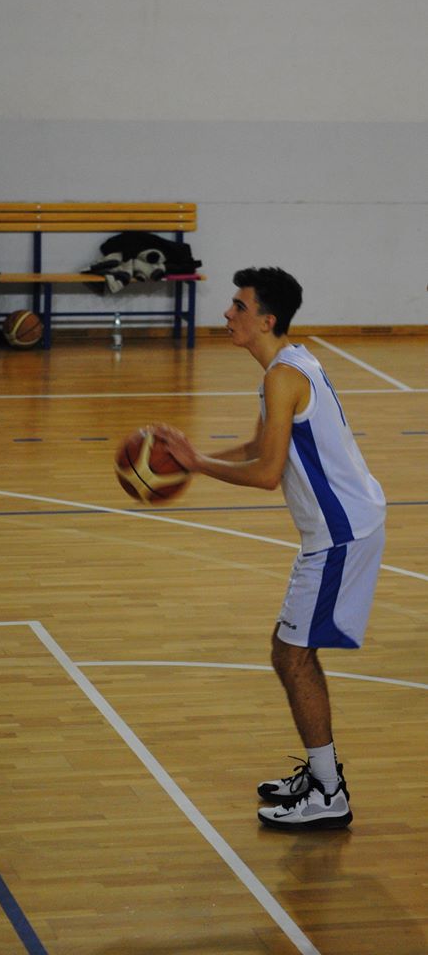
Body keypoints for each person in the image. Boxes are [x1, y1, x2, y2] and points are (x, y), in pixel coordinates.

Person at [156, 267, 386, 830]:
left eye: (239, 306)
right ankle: (322, 776)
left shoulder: (283, 377)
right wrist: (193, 460)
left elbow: (265, 474)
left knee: (291, 654)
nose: (227, 313)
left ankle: (328, 792)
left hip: (341, 532)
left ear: (267, 320)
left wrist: (197, 464)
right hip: (340, 527)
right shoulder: (288, 366)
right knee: (292, 651)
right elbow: (260, 446)